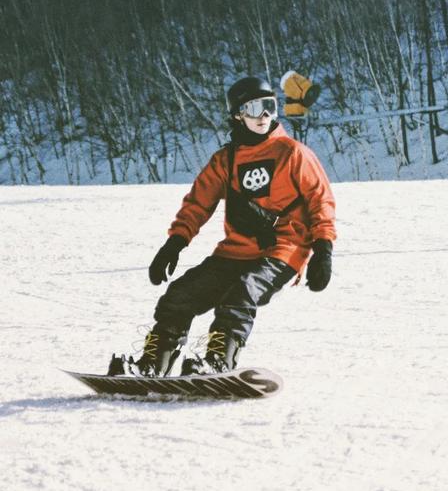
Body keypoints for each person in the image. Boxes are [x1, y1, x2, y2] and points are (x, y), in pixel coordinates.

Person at [109, 76, 336, 377]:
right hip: (235, 251)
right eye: (255, 108)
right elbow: (198, 204)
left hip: (283, 251)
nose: (264, 116)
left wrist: (323, 250)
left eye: (270, 106)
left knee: (241, 293)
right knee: (180, 294)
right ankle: (152, 365)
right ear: (238, 115)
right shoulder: (225, 161)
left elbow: (321, 201)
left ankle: (218, 361)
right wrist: (174, 243)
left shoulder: (293, 153)